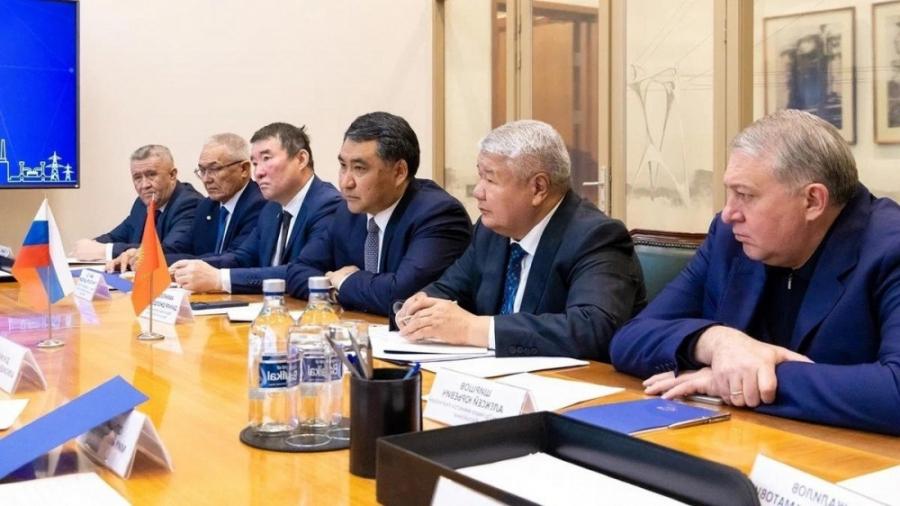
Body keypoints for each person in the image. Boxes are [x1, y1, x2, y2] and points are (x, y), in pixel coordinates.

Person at [610, 109, 900, 435]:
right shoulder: (730, 239)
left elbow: (895, 391)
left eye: (745, 195)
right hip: (738, 440)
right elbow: (629, 340)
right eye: (729, 192)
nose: (728, 213)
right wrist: (718, 343)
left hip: (845, 455)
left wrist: (732, 379)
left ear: (813, 201)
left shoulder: (890, 248)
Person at [396, 120, 646, 361]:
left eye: (490, 179)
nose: (478, 191)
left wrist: (473, 329)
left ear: (538, 188)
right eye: (480, 176)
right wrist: (418, 308)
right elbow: (450, 289)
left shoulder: (596, 237)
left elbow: (592, 328)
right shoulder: (491, 231)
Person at [285, 112, 471, 315]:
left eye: (359, 168)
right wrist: (334, 291)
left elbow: (402, 295)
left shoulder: (438, 214)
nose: (346, 182)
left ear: (399, 172)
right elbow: (297, 270)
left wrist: (345, 281)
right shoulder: (348, 212)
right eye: (343, 166)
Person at [170, 123, 342, 294]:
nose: (258, 173)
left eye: (266, 159)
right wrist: (188, 268)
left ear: (301, 159)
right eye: (255, 163)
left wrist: (219, 279)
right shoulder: (271, 208)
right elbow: (242, 257)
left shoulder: (327, 205)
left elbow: (302, 271)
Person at [105, 133, 266, 271]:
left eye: (215, 169)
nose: (206, 179)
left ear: (244, 169)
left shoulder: (259, 205)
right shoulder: (207, 206)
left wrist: (156, 260)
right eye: (202, 170)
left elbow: (234, 259)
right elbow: (180, 247)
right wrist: (141, 254)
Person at [72, 145, 202, 261]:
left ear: (172, 175)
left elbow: (168, 250)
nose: (144, 185)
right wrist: (91, 244)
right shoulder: (142, 203)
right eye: (137, 177)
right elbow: (116, 236)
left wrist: (105, 251)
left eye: (151, 175)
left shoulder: (189, 203)